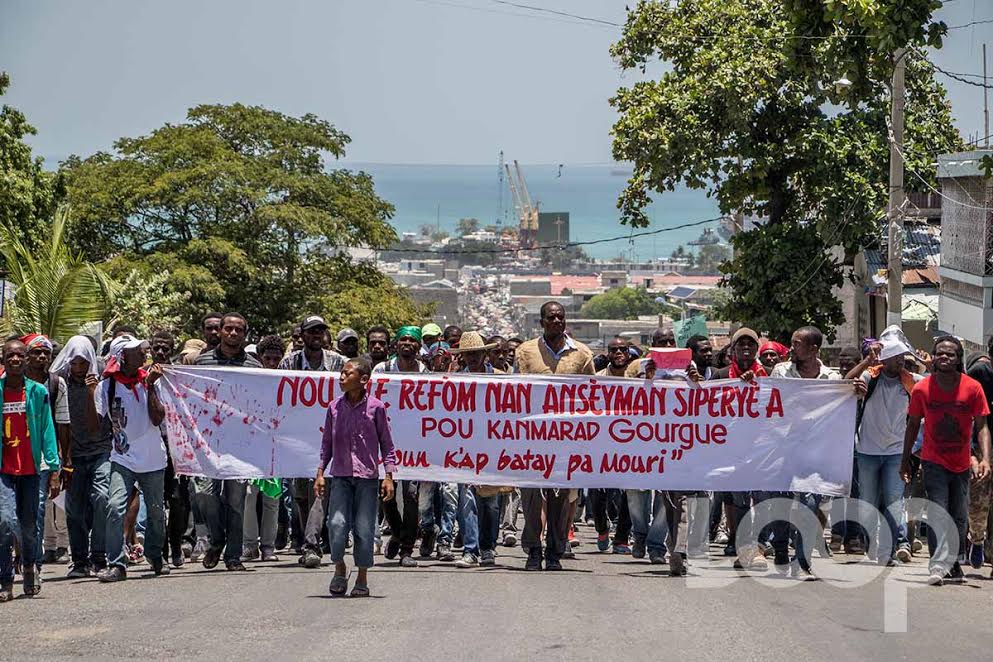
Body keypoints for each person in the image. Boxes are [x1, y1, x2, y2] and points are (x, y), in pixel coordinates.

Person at [769, 326, 860, 578]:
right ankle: (779, 547)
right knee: (783, 505)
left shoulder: (829, 378)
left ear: (813, 349)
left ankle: (803, 560)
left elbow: (842, 394)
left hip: (816, 453)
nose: (792, 348)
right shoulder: (781, 372)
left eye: (797, 344)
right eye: (792, 343)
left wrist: (854, 392)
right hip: (784, 450)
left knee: (809, 504)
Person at [902, 336, 991, 585]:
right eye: (940, 353)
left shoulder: (973, 387)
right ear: (933, 356)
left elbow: (982, 426)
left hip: (962, 462)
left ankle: (953, 561)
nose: (944, 357)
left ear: (958, 358)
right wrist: (905, 459)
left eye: (950, 354)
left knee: (959, 515)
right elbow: (912, 425)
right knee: (938, 510)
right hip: (933, 460)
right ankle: (938, 565)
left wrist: (985, 459)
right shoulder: (921, 389)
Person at [514, 301, 594, 570]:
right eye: (551, 318)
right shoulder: (525, 352)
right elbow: (511, 394)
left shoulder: (582, 354)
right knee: (532, 496)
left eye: (560, 317)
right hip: (531, 439)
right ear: (542, 322)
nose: (556, 322)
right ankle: (533, 550)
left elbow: (594, 396)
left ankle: (555, 551)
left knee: (561, 500)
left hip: (567, 440)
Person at [315, 359, 396, 597]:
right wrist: (320, 472)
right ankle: (339, 567)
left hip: (367, 478)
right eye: (340, 373)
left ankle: (362, 576)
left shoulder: (376, 407)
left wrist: (389, 476)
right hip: (340, 476)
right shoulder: (333, 408)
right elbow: (326, 443)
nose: (341, 378)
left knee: (364, 528)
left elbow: (387, 445)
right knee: (336, 524)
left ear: (363, 380)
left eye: (347, 374)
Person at [96, 335, 169, 582]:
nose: (143, 352)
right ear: (123, 357)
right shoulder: (107, 386)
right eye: (136, 350)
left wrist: (149, 387)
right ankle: (116, 563)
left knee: (157, 512)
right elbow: (99, 423)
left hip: (152, 459)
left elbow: (158, 418)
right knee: (115, 507)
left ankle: (155, 555)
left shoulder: (151, 381)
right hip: (122, 457)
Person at [194, 313, 262, 572]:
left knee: (235, 501)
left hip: (240, 444)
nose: (233, 334)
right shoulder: (202, 362)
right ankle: (217, 540)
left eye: (238, 330)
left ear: (245, 335)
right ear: (219, 331)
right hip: (208, 441)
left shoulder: (254, 368)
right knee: (205, 495)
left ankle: (233, 556)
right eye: (228, 329)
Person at [277, 315, 346, 568]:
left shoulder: (339, 363)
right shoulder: (288, 364)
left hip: (329, 438)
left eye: (321, 331)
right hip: (298, 440)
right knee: (301, 495)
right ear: (302, 335)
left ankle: (310, 545)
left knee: (319, 490)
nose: (316, 335)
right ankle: (314, 535)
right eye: (311, 331)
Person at [850, 334, 921, 565]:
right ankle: (871, 542)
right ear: (885, 359)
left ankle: (889, 550)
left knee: (893, 500)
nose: (901, 361)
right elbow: (845, 382)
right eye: (895, 357)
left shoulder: (911, 381)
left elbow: (933, 385)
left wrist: (928, 365)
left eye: (902, 356)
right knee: (868, 500)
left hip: (896, 453)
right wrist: (864, 366)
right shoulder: (870, 376)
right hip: (867, 450)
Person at [0, 339, 60, 601]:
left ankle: (29, 567)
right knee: (4, 522)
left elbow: (48, 430)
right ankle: (4, 579)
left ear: (25, 360)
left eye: (19, 355)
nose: (15, 359)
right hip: (4, 470)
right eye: (9, 355)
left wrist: (54, 467)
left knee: (29, 524)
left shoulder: (37, 392)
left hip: (31, 470)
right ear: (3, 360)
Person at [51, 336, 112, 578]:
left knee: (101, 498)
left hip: (100, 450)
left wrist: (91, 392)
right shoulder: (59, 384)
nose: (78, 369)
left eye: (83, 363)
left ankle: (99, 555)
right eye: (74, 363)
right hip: (71, 455)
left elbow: (96, 425)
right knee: (74, 509)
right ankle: (79, 560)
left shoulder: (103, 382)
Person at [373, 326, 426, 568]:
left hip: (414, 443)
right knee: (387, 493)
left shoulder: (425, 373)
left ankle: (407, 548)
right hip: (385, 443)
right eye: (403, 339)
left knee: (412, 495)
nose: (407, 344)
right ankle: (396, 531)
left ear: (418, 346)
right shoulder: (381, 370)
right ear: (396, 344)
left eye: (412, 340)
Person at [449, 332, 502, 568]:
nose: (471, 358)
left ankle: (488, 546)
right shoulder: (457, 381)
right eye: (467, 354)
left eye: (475, 353)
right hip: (465, 448)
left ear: (485, 354)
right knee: (468, 499)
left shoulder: (503, 379)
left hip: (494, 448)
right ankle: (471, 549)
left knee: (490, 501)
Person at [22, 334, 71, 574]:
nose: (42, 357)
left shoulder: (56, 383)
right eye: (36, 352)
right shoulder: (8, 382)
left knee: (42, 506)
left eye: (46, 353)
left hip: (45, 454)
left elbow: (63, 424)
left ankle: (37, 562)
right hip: (15, 454)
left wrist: (63, 462)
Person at [243, 336, 285, 563]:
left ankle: (268, 546)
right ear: (259, 358)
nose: (272, 362)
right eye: (268, 358)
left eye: (276, 358)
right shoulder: (251, 380)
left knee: (272, 497)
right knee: (250, 495)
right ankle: (249, 544)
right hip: (250, 447)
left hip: (275, 447)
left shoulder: (286, 380)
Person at [966, 348, 993, 569]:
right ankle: (976, 540)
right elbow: (969, 417)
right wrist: (971, 454)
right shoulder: (981, 371)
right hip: (981, 449)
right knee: (979, 503)